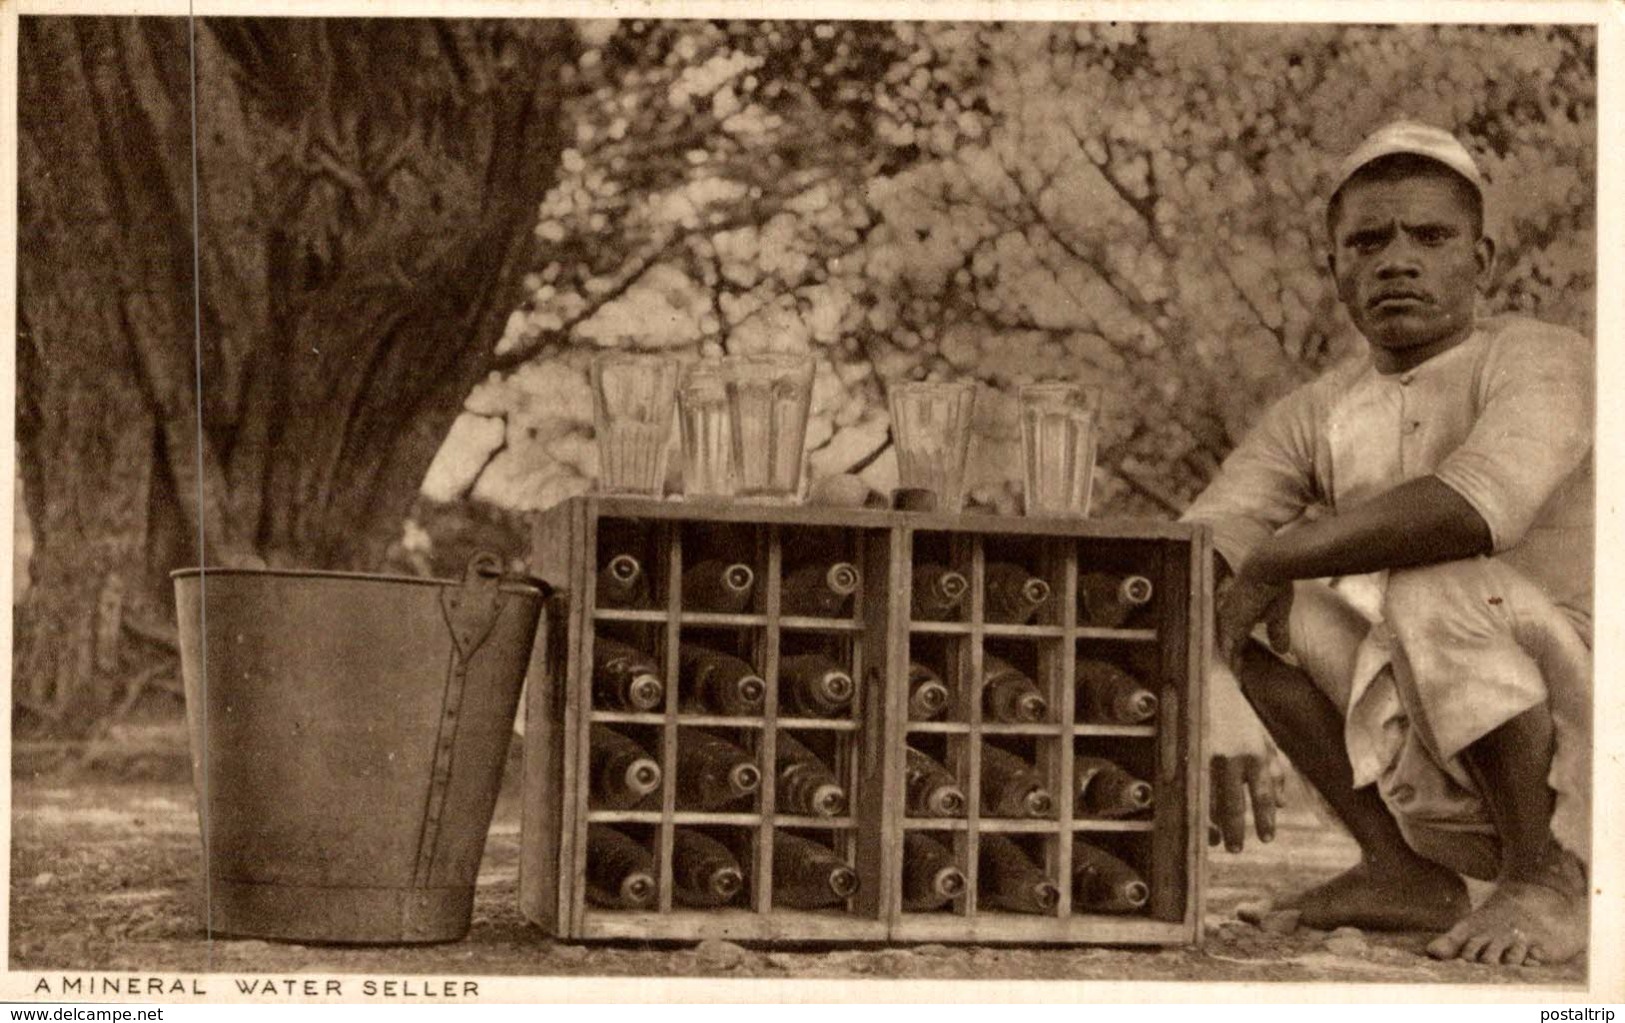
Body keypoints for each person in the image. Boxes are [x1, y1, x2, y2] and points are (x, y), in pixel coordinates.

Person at [1185, 121, 1592, 967]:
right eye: (1367, 241)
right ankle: (1398, 869)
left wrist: (1274, 556)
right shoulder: (1316, 409)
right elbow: (1204, 544)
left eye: (1430, 236)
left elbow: (1477, 508)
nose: (1395, 260)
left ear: (1479, 262)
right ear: (1335, 268)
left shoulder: (1543, 357)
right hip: (1434, 718)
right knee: (1268, 614)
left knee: (1427, 581)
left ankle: (1544, 877)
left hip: (1590, 736)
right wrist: (1212, 668)